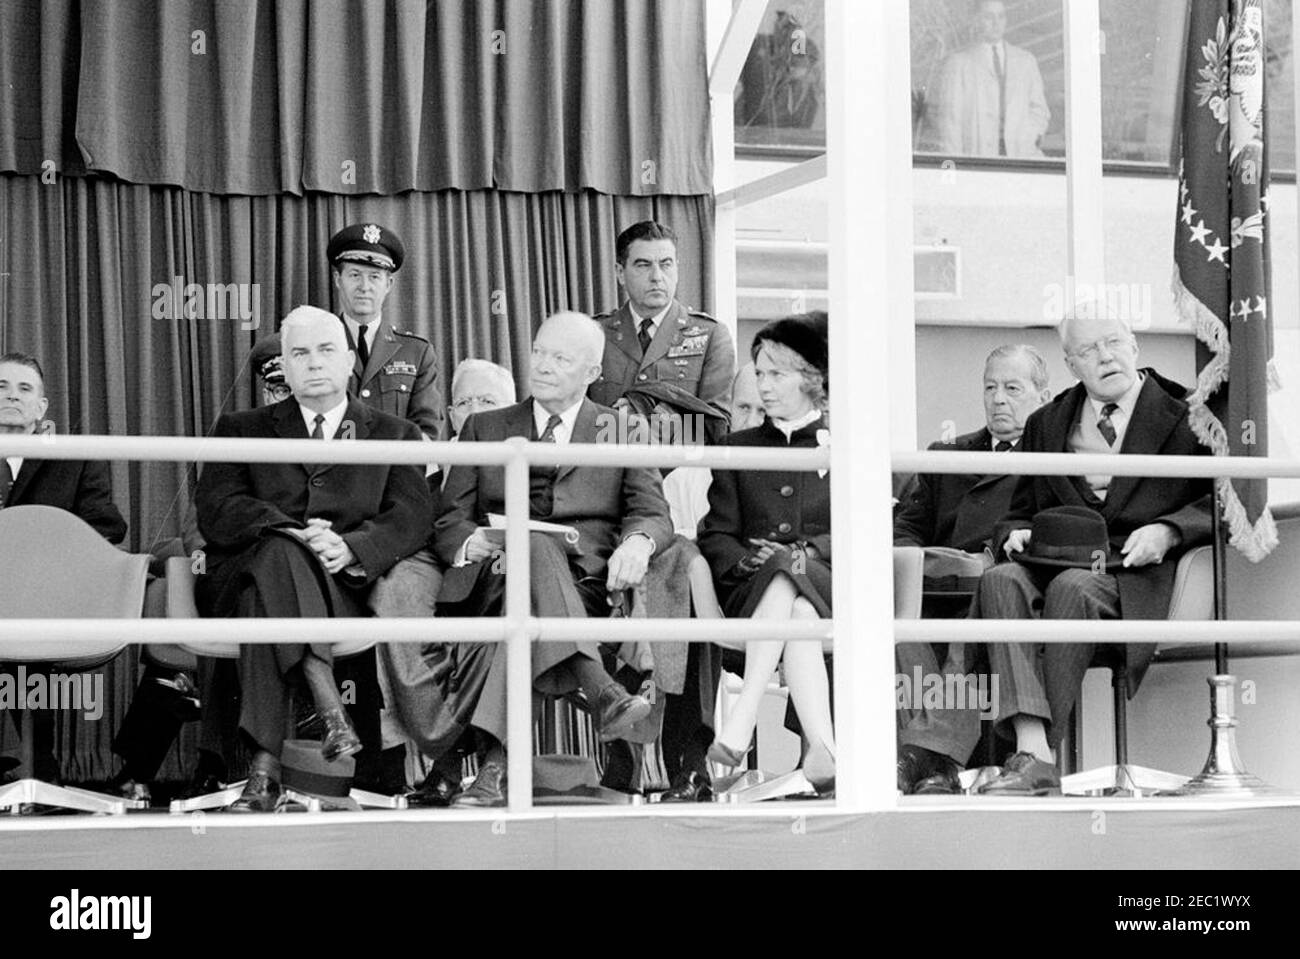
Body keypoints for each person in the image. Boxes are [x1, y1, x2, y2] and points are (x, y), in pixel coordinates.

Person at [429, 311, 673, 808]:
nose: (541, 365)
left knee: (532, 610)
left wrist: (638, 544)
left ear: (590, 373)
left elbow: (652, 512)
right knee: (529, 544)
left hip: (586, 584)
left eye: (560, 358)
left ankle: (494, 770)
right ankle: (598, 687)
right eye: (539, 351)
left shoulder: (619, 429)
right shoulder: (486, 426)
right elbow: (449, 520)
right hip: (494, 578)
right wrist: (468, 542)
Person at [194, 306, 432, 812]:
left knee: (270, 599)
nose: (314, 363)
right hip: (242, 578)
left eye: (326, 351)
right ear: (285, 363)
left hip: (341, 586)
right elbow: (218, 510)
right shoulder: (239, 429)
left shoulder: (396, 434)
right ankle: (326, 703)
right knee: (277, 556)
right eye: (299, 353)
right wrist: (295, 533)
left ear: (349, 361)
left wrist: (351, 546)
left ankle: (264, 767)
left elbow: (411, 517)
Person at [970, 313, 1212, 795]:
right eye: (1088, 351)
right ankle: (1034, 748)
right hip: (1058, 556)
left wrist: (1168, 530)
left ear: (1135, 347)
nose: (1105, 356)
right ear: (1070, 363)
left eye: (1114, 343)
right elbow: (1021, 507)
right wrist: (1016, 531)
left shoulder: (1190, 413)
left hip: (1131, 569)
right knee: (999, 579)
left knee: (1072, 588)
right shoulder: (1046, 422)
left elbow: (1223, 500)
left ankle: (1032, 761)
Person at [893, 344, 1051, 794]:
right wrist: (920, 560)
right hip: (934, 590)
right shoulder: (948, 454)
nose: (998, 399)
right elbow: (905, 528)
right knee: (894, 625)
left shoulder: (1052, 459)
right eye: (990, 387)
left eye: (1012, 389)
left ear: (1043, 394)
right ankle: (932, 765)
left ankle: (930, 757)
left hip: (1005, 594)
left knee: (973, 620)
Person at [697, 313, 835, 795]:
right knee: (790, 596)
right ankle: (824, 749)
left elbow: (865, 530)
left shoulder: (848, 447)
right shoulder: (736, 448)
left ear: (813, 379)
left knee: (792, 569)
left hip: (832, 587)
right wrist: (744, 561)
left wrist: (807, 549)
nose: (765, 385)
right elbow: (716, 535)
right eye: (760, 373)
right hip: (753, 593)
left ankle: (743, 717)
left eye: (778, 374)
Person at [373, 357, 516, 807]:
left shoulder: (524, 450)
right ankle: (444, 748)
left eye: (487, 401)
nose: (474, 411)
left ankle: (486, 765)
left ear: (511, 407)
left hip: (502, 568)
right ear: (450, 413)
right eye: (464, 402)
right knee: (394, 591)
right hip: (442, 562)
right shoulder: (428, 459)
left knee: (507, 609)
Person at [0, 352, 128, 786]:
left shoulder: (74, 458)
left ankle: (39, 767)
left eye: (24, 389)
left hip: (49, 596)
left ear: (42, 408)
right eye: (1, 387)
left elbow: (106, 527)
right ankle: (38, 769)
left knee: (25, 626)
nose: (11, 397)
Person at [589, 221, 735, 445]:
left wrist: (649, 422)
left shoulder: (711, 336)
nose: (656, 276)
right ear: (620, 273)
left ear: (676, 268)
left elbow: (718, 427)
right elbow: (573, 420)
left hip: (678, 474)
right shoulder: (594, 334)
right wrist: (622, 424)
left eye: (666, 264)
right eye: (643, 265)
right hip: (608, 475)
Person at [326, 222, 444, 441]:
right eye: (354, 275)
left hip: (393, 469)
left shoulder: (416, 352)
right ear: (337, 280)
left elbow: (426, 429)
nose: (364, 286)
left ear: (388, 284)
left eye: (374, 277)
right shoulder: (318, 344)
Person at [929, 0, 1050, 158]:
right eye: (989, 17)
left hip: (1020, 159)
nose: (996, 23)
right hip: (977, 159)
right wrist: (957, 169)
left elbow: (1039, 110)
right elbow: (951, 123)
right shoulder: (958, 64)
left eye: (1001, 16)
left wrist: (1026, 137)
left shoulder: (1026, 61)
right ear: (977, 20)